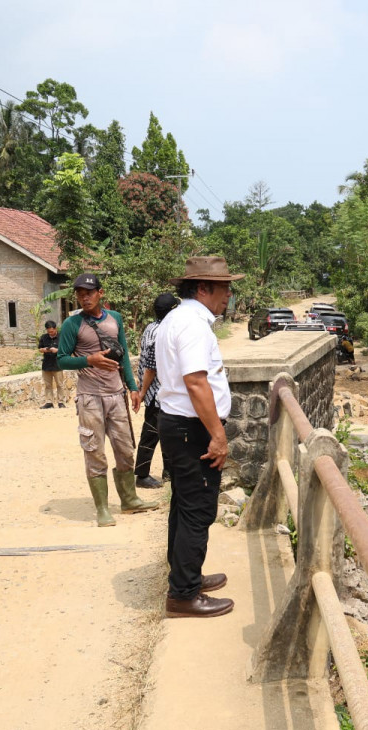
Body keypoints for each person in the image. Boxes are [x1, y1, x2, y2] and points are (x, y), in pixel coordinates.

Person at [155, 256, 242, 618]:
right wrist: (218, 436)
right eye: (225, 288)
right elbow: (195, 382)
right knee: (197, 510)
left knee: (183, 504)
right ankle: (183, 594)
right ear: (203, 288)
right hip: (191, 429)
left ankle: (185, 577)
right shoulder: (192, 324)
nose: (229, 295)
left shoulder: (178, 319)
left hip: (177, 425)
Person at [57, 273, 160, 526]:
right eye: (80, 294)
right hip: (90, 397)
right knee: (95, 452)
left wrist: (133, 388)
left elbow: (123, 355)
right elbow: (60, 359)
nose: (84, 297)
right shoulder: (73, 324)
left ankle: (129, 500)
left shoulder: (115, 319)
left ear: (100, 294)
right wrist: (88, 360)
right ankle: (102, 508)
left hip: (116, 395)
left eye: (89, 293)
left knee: (125, 449)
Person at [133, 292, 179, 490]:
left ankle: (168, 472)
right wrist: (142, 392)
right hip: (157, 392)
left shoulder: (150, 327)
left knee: (166, 432)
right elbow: (152, 366)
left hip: (157, 392)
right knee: (151, 434)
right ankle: (142, 474)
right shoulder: (164, 331)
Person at [38, 320, 66, 409]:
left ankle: (61, 402)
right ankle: (49, 402)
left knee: (60, 384)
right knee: (47, 385)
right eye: (49, 331)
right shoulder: (43, 337)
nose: (51, 333)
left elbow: (66, 349)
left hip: (57, 364)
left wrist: (57, 350)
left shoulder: (62, 336)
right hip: (46, 364)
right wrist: (44, 349)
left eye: (52, 331)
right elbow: (40, 348)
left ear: (55, 329)